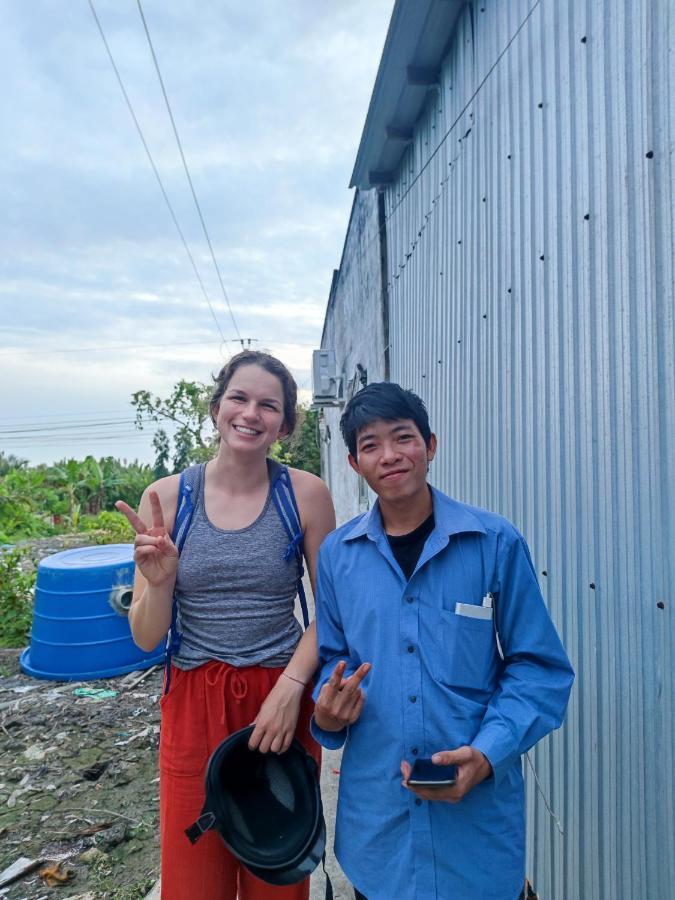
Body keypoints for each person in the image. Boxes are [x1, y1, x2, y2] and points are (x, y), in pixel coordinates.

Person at [311, 382, 574, 900]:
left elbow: (538, 669)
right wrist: (329, 710)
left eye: (402, 438)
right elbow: (333, 658)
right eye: (370, 445)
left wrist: (486, 752)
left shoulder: (494, 542)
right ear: (353, 462)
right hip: (380, 833)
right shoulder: (338, 557)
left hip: (476, 832)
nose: (389, 455)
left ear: (431, 445)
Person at [115, 350, 336, 900]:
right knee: (195, 879)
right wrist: (161, 580)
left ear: (284, 425)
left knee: (276, 871)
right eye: (239, 397)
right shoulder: (166, 498)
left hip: (278, 699)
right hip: (193, 698)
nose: (251, 413)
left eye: (269, 405)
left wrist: (291, 687)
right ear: (216, 408)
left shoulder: (304, 494)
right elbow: (146, 636)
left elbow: (335, 609)